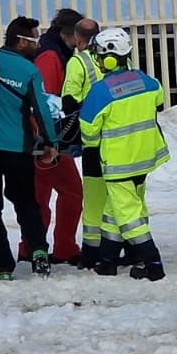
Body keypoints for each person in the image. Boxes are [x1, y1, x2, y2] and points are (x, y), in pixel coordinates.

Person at [0, 16, 59, 280]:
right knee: (26, 203)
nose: (39, 46)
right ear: (21, 42)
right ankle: (39, 252)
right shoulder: (28, 70)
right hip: (16, 149)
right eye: (35, 40)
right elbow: (41, 110)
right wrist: (51, 142)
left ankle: (1, 267)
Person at [79, 27, 169, 280]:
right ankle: (107, 261)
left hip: (119, 164)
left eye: (98, 55)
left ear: (109, 58)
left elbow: (88, 131)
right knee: (114, 209)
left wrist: (93, 144)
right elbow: (158, 103)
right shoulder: (149, 82)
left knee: (129, 215)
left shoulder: (100, 91)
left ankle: (153, 265)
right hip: (145, 159)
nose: (97, 60)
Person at [28, 7, 85, 265]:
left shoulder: (48, 50)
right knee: (72, 192)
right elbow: (47, 101)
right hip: (49, 139)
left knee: (39, 196)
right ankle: (65, 247)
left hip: (37, 137)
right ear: (68, 33)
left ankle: (30, 245)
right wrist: (51, 140)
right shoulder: (52, 57)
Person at [62, 16, 105, 268]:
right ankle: (120, 246)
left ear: (77, 38)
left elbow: (68, 101)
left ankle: (91, 253)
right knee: (120, 197)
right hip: (122, 141)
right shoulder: (121, 59)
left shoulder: (78, 61)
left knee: (93, 197)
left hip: (94, 140)